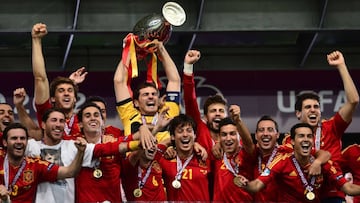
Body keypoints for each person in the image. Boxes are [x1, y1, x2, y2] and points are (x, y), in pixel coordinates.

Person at [24, 107, 135, 203]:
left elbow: (104, 148)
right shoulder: (30, 146)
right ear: (43, 124)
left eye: (61, 121)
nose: (58, 124)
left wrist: (135, 140)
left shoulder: (74, 146)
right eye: (54, 120)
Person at [291, 50, 359, 202]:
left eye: (316, 106)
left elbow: (353, 100)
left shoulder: (333, 127)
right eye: (308, 107)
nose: (313, 110)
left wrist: (341, 65)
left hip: (333, 194)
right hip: (304, 195)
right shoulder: (291, 139)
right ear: (298, 113)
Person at [240, 123, 360, 203]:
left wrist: (318, 162)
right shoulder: (281, 161)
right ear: (292, 141)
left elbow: (348, 188)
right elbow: (256, 186)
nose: (306, 140)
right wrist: (245, 185)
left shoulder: (325, 164)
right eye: (301, 136)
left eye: (309, 136)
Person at [114, 37, 181, 146]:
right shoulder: (129, 114)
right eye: (145, 94)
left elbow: (175, 80)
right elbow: (119, 81)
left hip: (166, 162)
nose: (151, 97)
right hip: (136, 162)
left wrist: (161, 48)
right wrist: (130, 49)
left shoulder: (168, 113)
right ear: (136, 102)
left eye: (154, 94)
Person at [0, 122, 86, 203]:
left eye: (22, 138)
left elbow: (70, 172)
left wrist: (80, 152)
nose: (19, 142)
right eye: (14, 138)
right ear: (5, 142)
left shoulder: (36, 165)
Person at [254, 115, 330, 202]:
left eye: (270, 130)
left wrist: (317, 162)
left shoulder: (288, 149)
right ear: (256, 136)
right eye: (261, 130)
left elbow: (325, 154)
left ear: (277, 135)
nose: (266, 134)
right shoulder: (253, 154)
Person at [31, 23, 88, 140]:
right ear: (52, 98)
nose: (66, 93)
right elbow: (40, 78)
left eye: (70, 91)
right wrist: (36, 40)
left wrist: (71, 82)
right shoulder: (47, 114)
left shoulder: (84, 119)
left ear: (76, 98)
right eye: (61, 91)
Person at [156, 114, 211, 201]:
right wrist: (167, 144)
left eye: (189, 131)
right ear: (173, 137)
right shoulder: (166, 159)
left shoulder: (205, 158)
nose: (185, 134)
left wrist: (196, 144)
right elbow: (149, 157)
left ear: (195, 135)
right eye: (180, 131)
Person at [183, 49, 227, 156]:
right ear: (206, 117)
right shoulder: (200, 128)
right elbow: (190, 100)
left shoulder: (233, 136)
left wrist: (221, 143)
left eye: (221, 111)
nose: (217, 113)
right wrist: (188, 67)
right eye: (213, 111)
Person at [212, 105, 255, 202]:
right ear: (219, 137)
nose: (228, 138)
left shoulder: (246, 154)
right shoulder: (216, 155)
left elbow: (249, 143)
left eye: (232, 134)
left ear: (239, 136)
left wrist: (238, 121)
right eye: (224, 135)